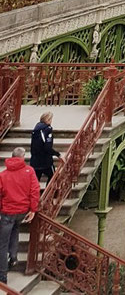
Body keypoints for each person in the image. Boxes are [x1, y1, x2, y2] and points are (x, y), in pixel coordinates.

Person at [0, 146, 40, 284]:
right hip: (22, 211)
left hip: (7, 212)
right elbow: (35, 190)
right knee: (15, 230)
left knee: (2, 244)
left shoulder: (3, 175)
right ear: (22, 157)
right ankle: (14, 256)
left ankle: (3, 275)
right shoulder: (29, 172)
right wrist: (33, 209)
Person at [30, 113, 61, 184]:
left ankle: (36, 195)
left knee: (35, 182)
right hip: (45, 161)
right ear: (48, 120)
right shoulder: (47, 130)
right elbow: (47, 147)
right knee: (53, 178)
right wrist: (58, 154)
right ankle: (49, 194)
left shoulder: (35, 130)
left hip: (35, 161)